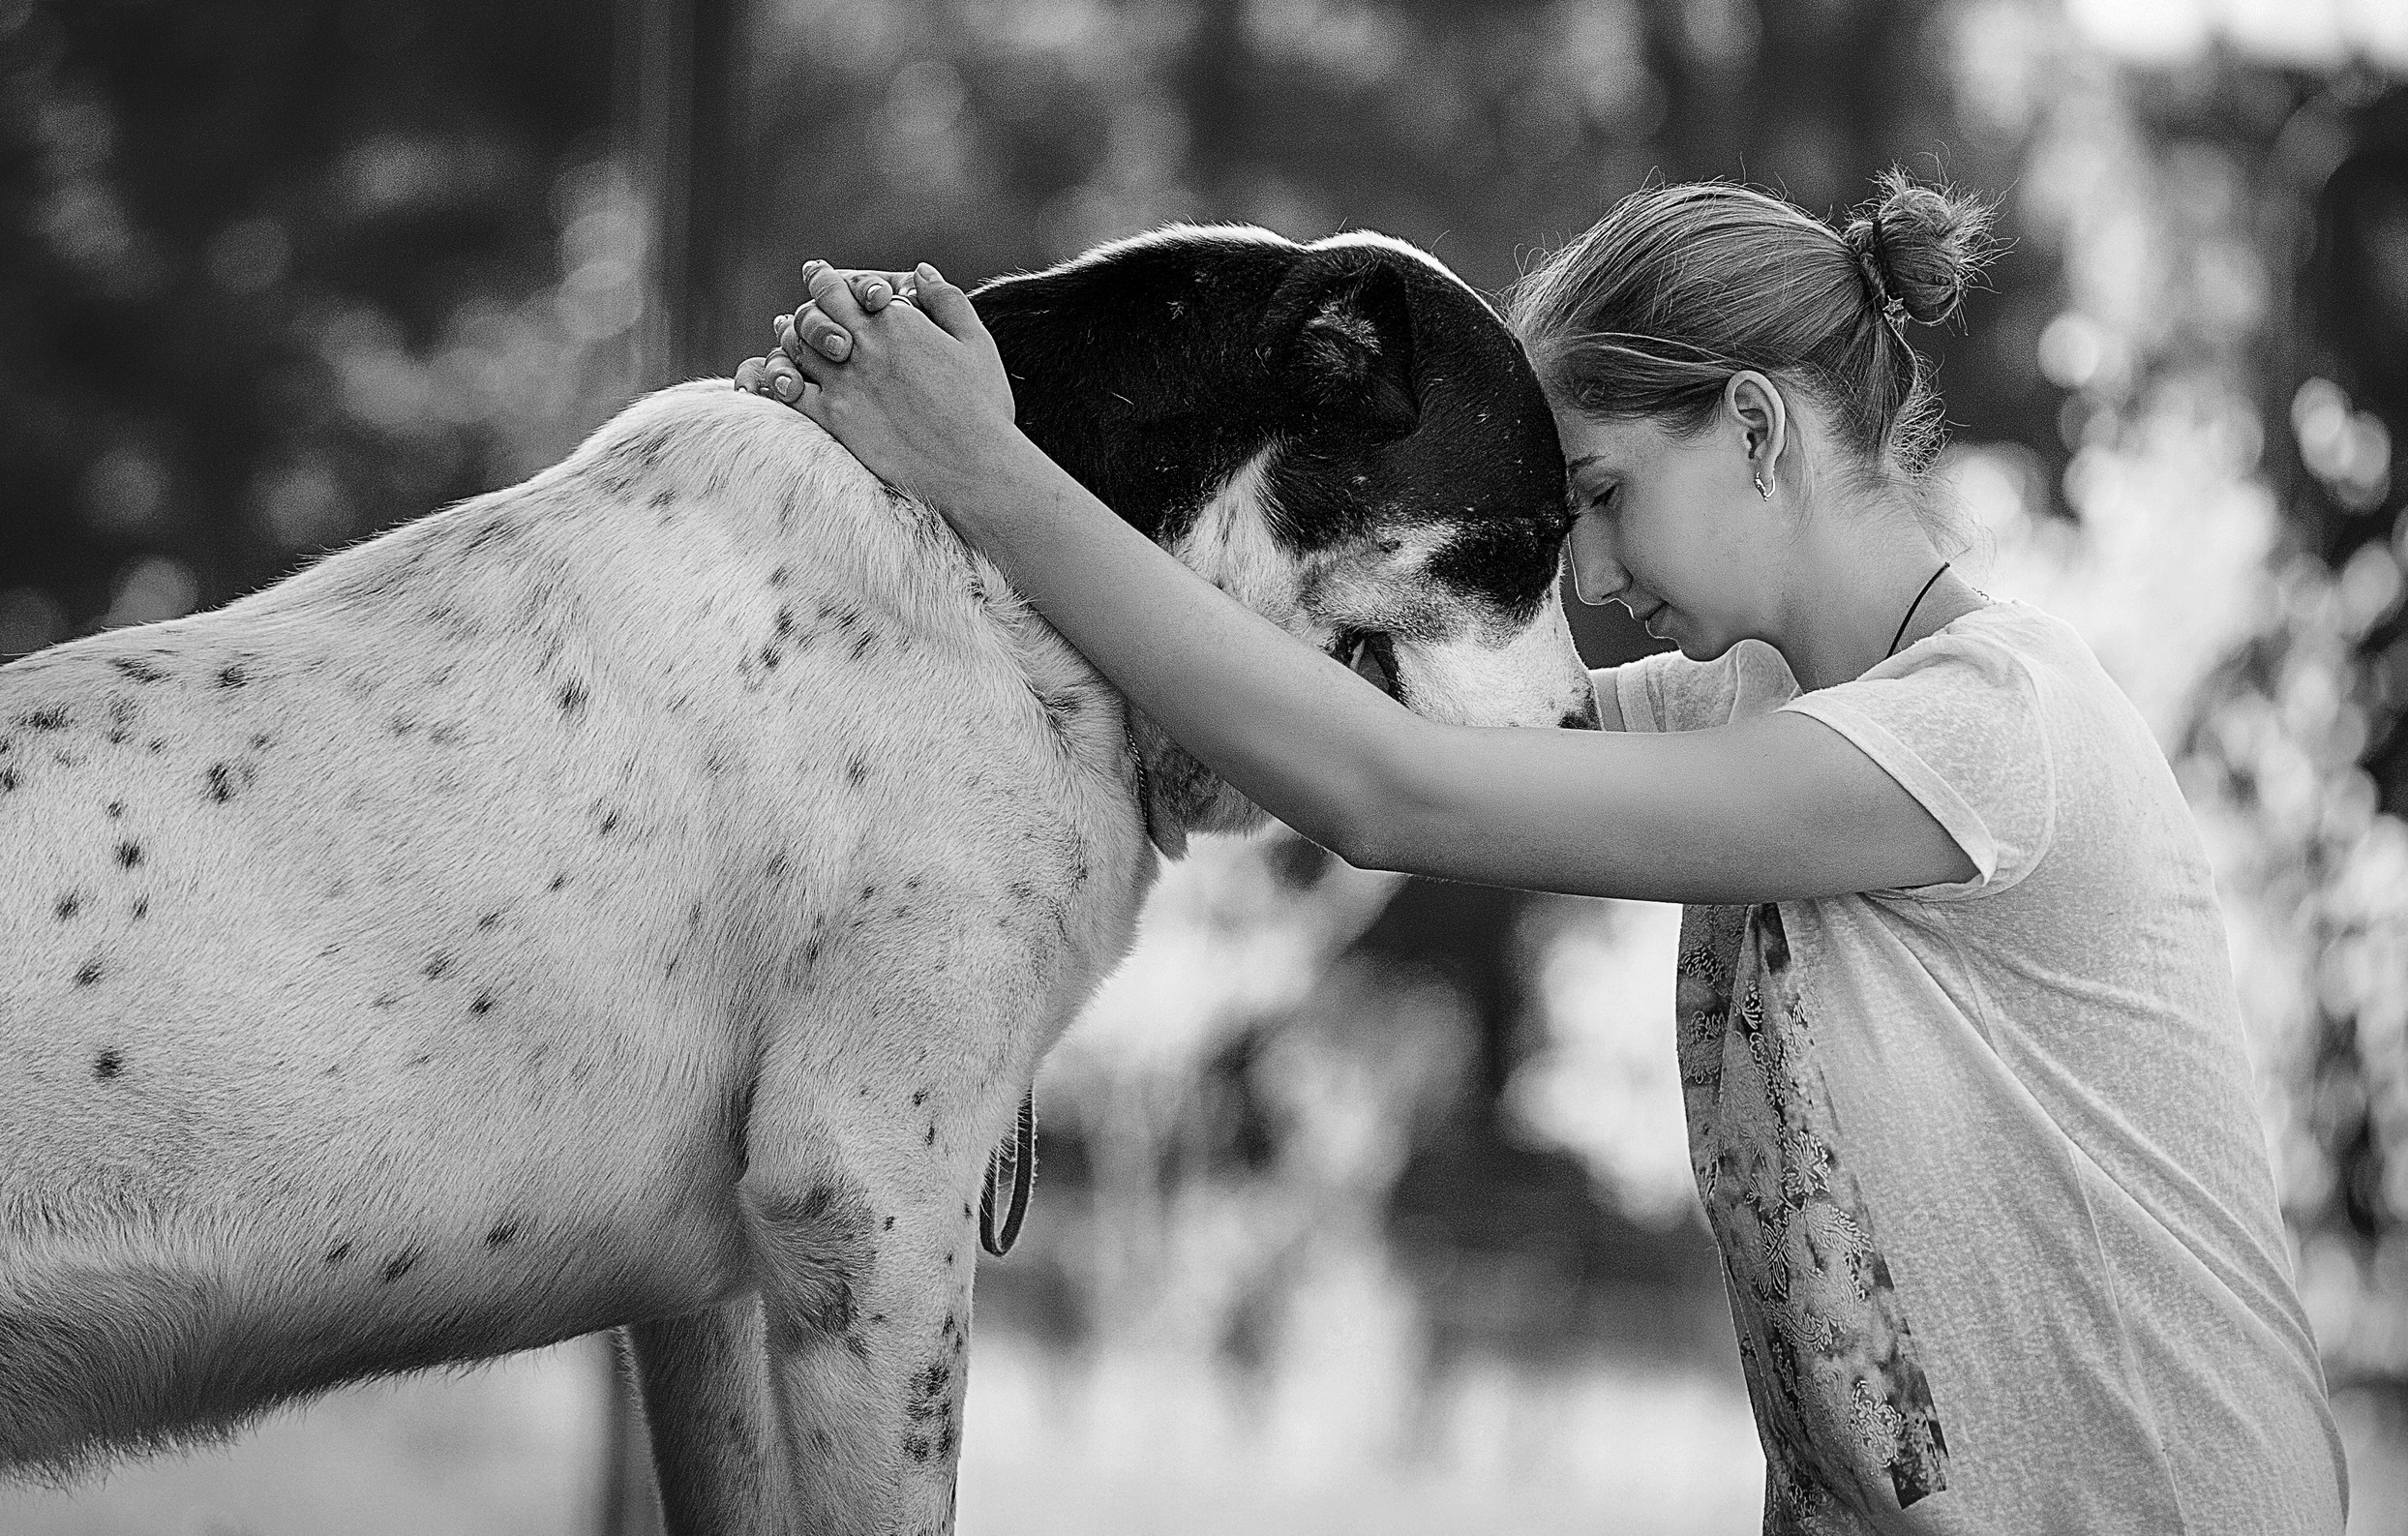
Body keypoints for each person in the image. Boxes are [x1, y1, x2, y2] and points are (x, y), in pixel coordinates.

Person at [737, 174, 2347, 1534]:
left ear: (1758, 430)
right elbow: (1349, 742)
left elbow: (1397, 798)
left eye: (1601, 493)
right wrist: (971, 466)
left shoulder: (1994, 730)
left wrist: (988, 475)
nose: (1579, 565)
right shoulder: (1752, 706)